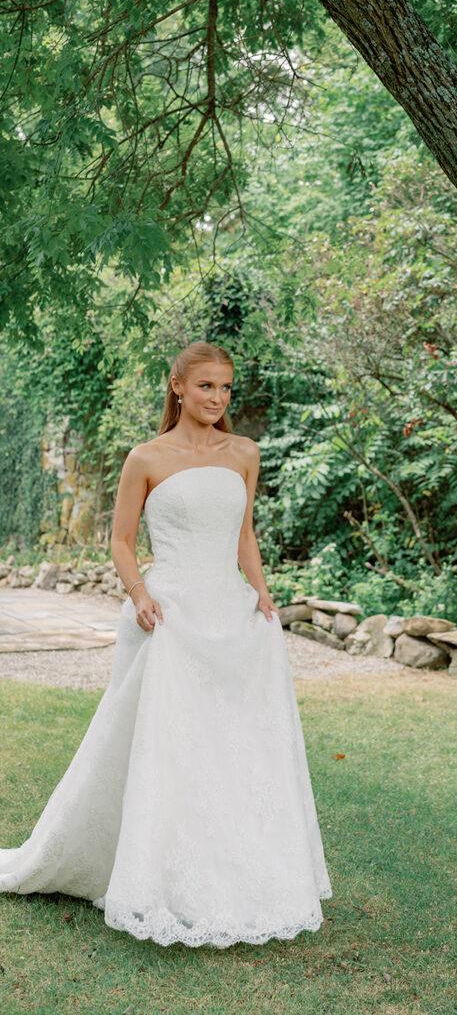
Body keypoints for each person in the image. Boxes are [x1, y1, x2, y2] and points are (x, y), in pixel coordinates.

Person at [0, 340, 332, 947]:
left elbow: (245, 534)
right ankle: (154, 872)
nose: (218, 399)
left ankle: (239, 870)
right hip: (169, 614)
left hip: (230, 615)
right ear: (178, 386)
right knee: (166, 744)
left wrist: (262, 596)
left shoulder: (244, 453)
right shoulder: (145, 457)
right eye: (207, 386)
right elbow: (122, 541)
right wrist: (139, 595)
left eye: (227, 388)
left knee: (235, 746)